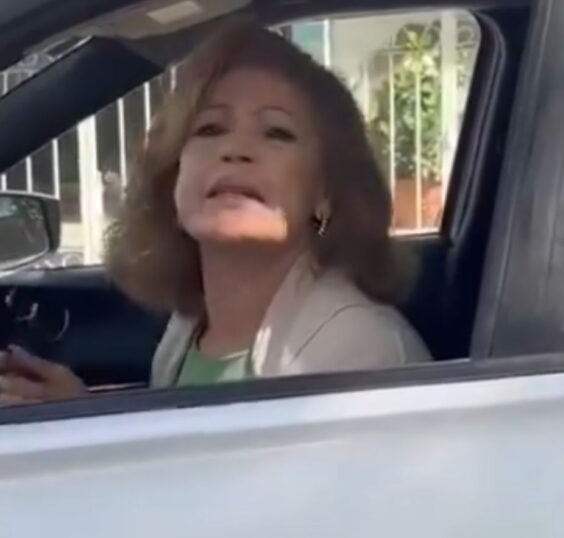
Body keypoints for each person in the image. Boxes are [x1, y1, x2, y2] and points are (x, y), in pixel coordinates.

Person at [0, 21, 431, 404]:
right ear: (173, 177)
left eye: (277, 133)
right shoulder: (189, 326)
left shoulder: (354, 348)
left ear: (326, 193)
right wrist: (82, 412)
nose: (235, 149)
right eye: (209, 128)